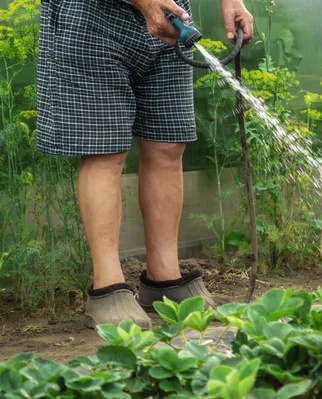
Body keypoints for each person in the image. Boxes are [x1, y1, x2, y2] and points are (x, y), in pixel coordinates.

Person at [36, 0, 253, 329]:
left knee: (167, 144)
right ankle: (107, 286)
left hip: (169, 16)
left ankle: (164, 278)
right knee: (104, 149)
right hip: (90, 16)